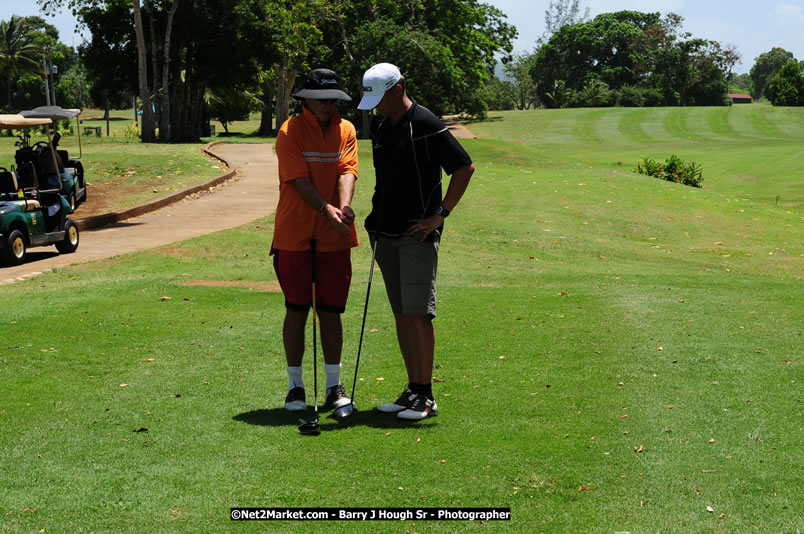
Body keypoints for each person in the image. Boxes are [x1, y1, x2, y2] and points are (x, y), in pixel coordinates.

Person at [357, 63, 475, 420]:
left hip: (416, 233)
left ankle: (425, 396)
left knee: (418, 314)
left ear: (399, 89)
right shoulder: (380, 125)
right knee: (402, 315)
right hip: (384, 232)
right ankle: (413, 388)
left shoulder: (425, 124)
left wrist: (440, 214)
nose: (375, 107)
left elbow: (464, 167)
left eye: (380, 98)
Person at [272, 68, 358, 413]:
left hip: (334, 235)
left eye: (333, 99)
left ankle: (334, 386)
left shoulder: (346, 129)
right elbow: (297, 179)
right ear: (307, 99)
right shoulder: (289, 131)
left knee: (331, 311)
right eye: (322, 99)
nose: (328, 105)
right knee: (297, 309)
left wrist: (345, 207)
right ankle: (295, 388)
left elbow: (346, 170)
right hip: (294, 234)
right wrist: (327, 209)